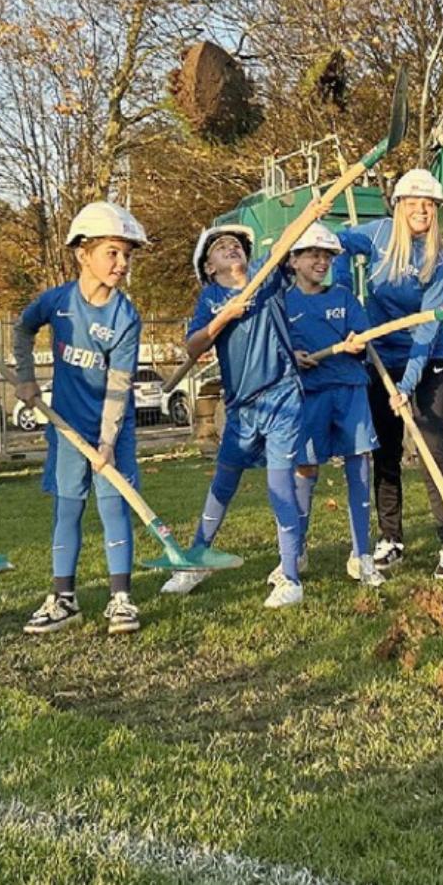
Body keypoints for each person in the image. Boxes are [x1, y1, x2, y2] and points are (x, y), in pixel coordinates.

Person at [164, 218, 319, 607]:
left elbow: (284, 244)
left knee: (280, 484)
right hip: (241, 407)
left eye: (236, 244)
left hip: (282, 396)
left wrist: (313, 210)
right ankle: (197, 560)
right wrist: (226, 316)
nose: (231, 247)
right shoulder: (211, 298)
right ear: (209, 267)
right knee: (223, 482)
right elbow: (193, 346)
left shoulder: (266, 276)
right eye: (221, 248)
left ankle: (290, 577)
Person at [13, 202, 150, 636]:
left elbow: (119, 386)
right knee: (67, 509)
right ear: (82, 253)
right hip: (66, 428)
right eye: (112, 252)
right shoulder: (57, 302)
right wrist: (26, 377)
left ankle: (121, 599)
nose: (122, 263)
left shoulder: (125, 317)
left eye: (126, 254)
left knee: (113, 508)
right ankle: (64, 600)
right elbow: (22, 329)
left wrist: (107, 441)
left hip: (112, 430)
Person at [338, 169, 443, 577]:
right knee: (385, 450)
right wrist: (345, 294)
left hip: (428, 359)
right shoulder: (378, 235)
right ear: (399, 205)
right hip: (380, 357)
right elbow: (334, 243)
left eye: (429, 204)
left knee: (430, 447)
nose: (422, 210)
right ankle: (391, 539)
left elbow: (427, 329)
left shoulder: (438, 260)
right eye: (414, 203)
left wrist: (407, 385)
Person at [282, 223, 383, 588]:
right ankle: (295, 551)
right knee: (305, 467)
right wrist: (292, 355)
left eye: (326, 256)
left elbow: (363, 337)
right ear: (294, 260)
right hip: (308, 395)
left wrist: (358, 342)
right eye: (313, 254)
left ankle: (362, 556)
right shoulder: (283, 303)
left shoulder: (344, 297)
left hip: (350, 390)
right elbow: (277, 348)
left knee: (359, 464)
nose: (321, 261)